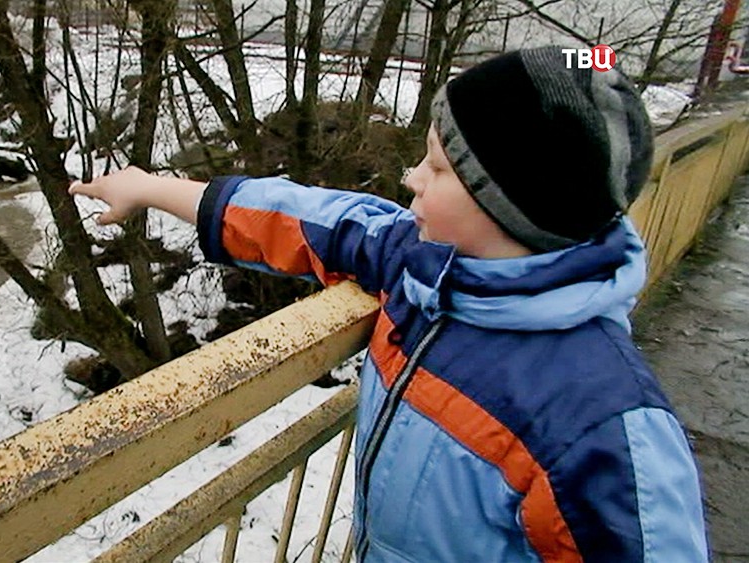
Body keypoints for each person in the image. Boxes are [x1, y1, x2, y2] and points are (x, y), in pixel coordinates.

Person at [68, 45, 709, 562]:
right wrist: (149, 187)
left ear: (507, 202)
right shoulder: (422, 264)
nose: (411, 178)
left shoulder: (601, 424)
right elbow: (304, 217)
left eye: (436, 168)